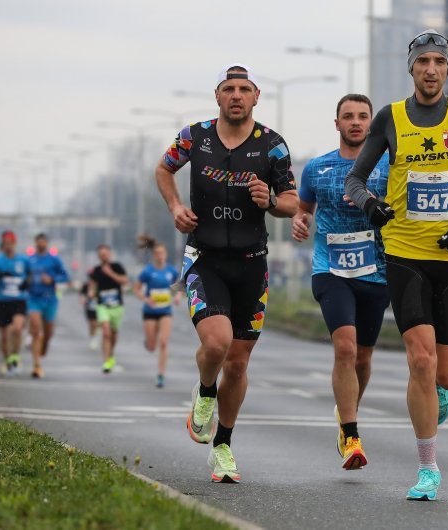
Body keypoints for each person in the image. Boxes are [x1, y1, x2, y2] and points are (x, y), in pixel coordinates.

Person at [345, 30, 448, 500]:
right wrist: (370, 206)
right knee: (421, 359)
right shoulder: (391, 118)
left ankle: (439, 393)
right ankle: (428, 469)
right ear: (412, 68)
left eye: (439, 61)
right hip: (405, 253)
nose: (432, 69)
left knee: (447, 374)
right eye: (424, 62)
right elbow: (357, 179)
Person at [155, 63, 298, 483]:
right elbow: (163, 169)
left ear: (256, 98)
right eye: (229, 89)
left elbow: (291, 202)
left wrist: (270, 199)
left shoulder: (272, 145)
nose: (236, 96)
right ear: (217, 97)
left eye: (245, 89)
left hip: (253, 265)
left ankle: (223, 447)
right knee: (216, 344)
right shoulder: (193, 137)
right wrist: (176, 208)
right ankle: (204, 391)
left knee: (237, 364)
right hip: (205, 259)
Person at [292, 94, 390, 471]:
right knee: (345, 348)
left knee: (363, 357)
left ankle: (346, 409)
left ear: (371, 124)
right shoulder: (317, 168)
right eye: (347, 116)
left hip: (376, 272)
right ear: (337, 124)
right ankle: (351, 434)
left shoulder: (388, 167)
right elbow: (303, 211)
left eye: (362, 116)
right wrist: (300, 222)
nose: (355, 122)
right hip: (330, 270)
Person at [0, 230, 31, 375]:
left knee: (17, 328)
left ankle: (15, 356)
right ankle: (7, 360)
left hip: (19, 301)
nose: (8, 246)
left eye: (10, 243)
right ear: (2, 246)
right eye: (5, 244)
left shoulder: (23, 260)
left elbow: (31, 274)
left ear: (14, 244)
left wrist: (27, 282)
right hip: (2, 302)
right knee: (4, 336)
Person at [133, 235, 181, 388]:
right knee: (152, 346)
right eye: (157, 253)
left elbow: (180, 287)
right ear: (154, 255)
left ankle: (160, 375)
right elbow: (136, 289)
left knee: (164, 342)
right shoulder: (147, 271)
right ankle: (148, 342)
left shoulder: (171, 271)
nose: (160, 256)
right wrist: (145, 299)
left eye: (162, 253)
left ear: (166, 254)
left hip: (166, 310)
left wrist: (178, 296)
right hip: (150, 311)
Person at [26, 233, 69, 378]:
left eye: (44, 242)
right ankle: (37, 365)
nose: (41, 244)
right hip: (33, 298)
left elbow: (65, 276)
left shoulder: (54, 260)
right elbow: (22, 276)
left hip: (50, 299)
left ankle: (44, 346)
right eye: (39, 242)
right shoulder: (29, 260)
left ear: (47, 243)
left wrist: (52, 279)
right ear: (35, 243)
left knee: (48, 332)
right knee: (36, 330)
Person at [88, 244, 129, 373]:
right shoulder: (96, 270)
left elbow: (124, 281)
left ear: (110, 254)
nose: (103, 256)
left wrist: (110, 273)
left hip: (117, 306)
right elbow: (92, 285)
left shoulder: (117, 267)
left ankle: (111, 355)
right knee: (106, 331)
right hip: (102, 305)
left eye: (105, 254)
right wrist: (91, 292)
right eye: (101, 254)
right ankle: (106, 361)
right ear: (98, 256)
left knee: (114, 334)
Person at [79, 281, 99, 351]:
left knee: (96, 324)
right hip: (89, 307)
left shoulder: (100, 284)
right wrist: (84, 299)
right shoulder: (86, 285)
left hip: (99, 307)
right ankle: (93, 338)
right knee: (91, 324)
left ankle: (95, 335)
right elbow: (81, 296)